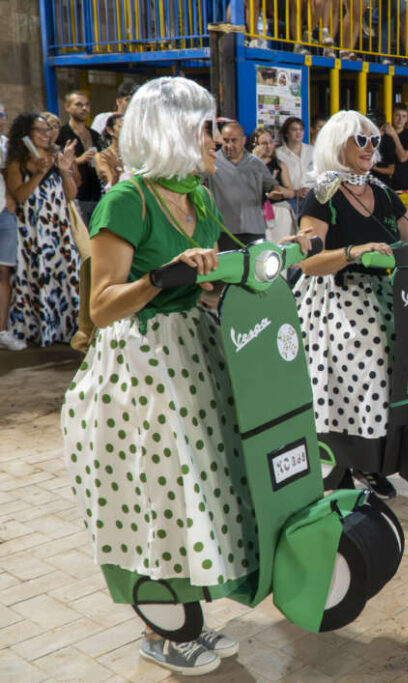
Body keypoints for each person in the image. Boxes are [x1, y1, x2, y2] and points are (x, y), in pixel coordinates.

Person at [61, 77, 291, 675]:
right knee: (163, 493)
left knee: (201, 487)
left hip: (198, 352)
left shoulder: (199, 195)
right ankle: (161, 632)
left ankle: (186, 620)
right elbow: (101, 306)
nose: (217, 137)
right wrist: (163, 277)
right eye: (206, 126)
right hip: (143, 369)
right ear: (171, 131)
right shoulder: (128, 199)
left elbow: (221, 270)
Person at [291, 110, 408, 497]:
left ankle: (378, 459)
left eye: (374, 140)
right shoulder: (323, 193)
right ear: (336, 144)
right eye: (361, 140)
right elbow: (309, 261)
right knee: (368, 362)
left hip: (385, 295)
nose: (370, 147)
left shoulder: (383, 191)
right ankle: (346, 461)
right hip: (338, 298)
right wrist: (354, 251)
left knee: (404, 361)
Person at [4, 113, 80, 346]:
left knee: (68, 274)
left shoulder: (59, 155)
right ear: (26, 133)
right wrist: (38, 173)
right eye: (41, 130)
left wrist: (66, 169)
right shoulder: (17, 160)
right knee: (37, 274)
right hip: (33, 228)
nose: (47, 135)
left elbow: (71, 194)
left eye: (48, 130)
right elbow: (20, 195)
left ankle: (70, 329)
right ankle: (40, 330)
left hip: (59, 224)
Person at [206, 121, 292, 251]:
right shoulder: (212, 161)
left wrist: (276, 192)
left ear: (243, 140)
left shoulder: (256, 163)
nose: (229, 145)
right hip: (224, 231)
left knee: (258, 269)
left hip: (254, 229)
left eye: (234, 141)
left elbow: (272, 186)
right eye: (225, 140)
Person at [56, 91, 104, 224]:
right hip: (75, 194)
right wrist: (78, 160)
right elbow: (56, 162)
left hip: (97, 193)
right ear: (67, 107)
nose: (84, 108)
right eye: (78, 105)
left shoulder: (95, 135)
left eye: (87, 105)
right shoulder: (61, 134)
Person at [0, 112, 25, 350]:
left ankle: (3, 331)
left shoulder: (7, 145)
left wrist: (8, 194)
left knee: (4, 272)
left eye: (1, 115)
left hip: (5, 212)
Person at [248, 125, 297, 242]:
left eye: (270, 142)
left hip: (278, 210)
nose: (268, 146)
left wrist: (277, 189)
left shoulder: (280, 165)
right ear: (255, 146)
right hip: (256, 211)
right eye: (264, 143)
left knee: (281, 247)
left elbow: (291, 192)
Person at [375, 103, 408, 194]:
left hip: (405, 184)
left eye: (403, 116)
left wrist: (394, 135)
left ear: (406, 119)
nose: (400, 119)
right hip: (385, 183)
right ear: (392, 116)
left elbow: (403, 158)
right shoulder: (384, 135)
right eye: (397, 115)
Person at [275, 116, 314, 199]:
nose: (298, 132)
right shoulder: (278, 154)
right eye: (294, 130)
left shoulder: (313, 151)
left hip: (313, 198)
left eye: (301, 129)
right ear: (286, 133)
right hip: (291, 198)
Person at [95, 114, 129, 193]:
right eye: (121, 127)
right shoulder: (102, 156)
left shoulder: (133, 154)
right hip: (112, 199)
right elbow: (111, 183)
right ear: (110, 130)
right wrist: (117, 168)